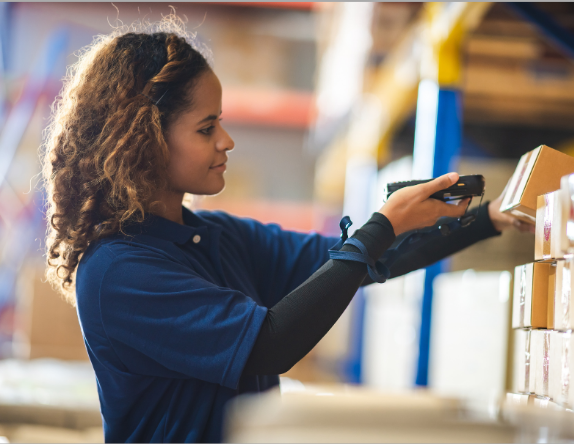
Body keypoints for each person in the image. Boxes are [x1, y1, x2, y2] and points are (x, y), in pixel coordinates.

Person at [41, 16, 532, 444]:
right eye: (206, 128)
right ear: (144, 138)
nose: (226, 141)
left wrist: (485, 219)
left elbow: (356, 261)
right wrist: (382, 226)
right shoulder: (118, 273)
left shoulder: (215, 236)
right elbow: (269, 345)